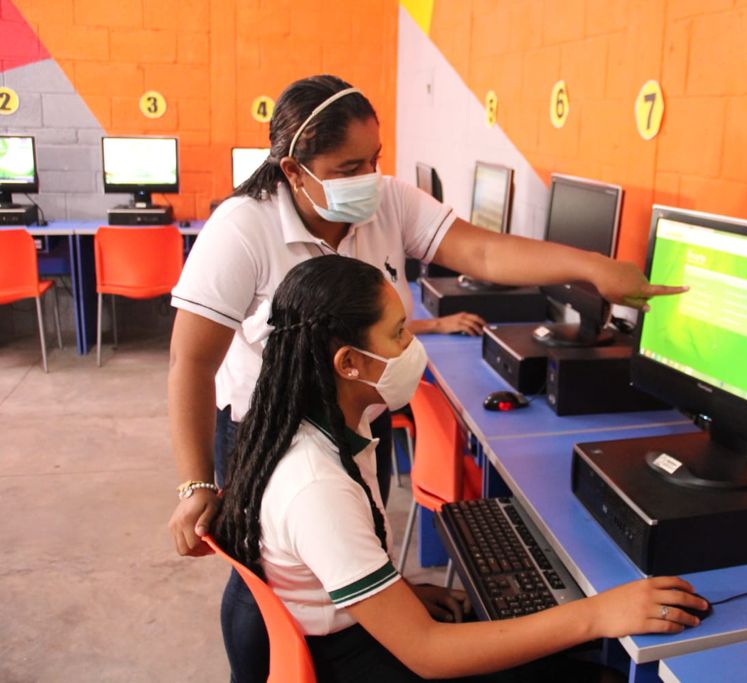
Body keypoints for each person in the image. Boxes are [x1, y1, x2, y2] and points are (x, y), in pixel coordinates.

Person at [167, 74, 685, 681]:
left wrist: (591, 268)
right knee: (286, 559)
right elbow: (191, 362)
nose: (370, 177)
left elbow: (483, 253)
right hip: (271, 427)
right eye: (348, 167)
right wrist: (195, 483)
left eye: (375, 158)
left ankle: (368, 602)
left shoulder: (386, 202)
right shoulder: (243, 228)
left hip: (347, 415)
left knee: (339, 547)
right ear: (292, 170)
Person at [214, 254, 706, 682]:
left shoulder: (312, 421)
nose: (412, 344)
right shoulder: (315, 485)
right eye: (398, 332)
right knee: (592, 670)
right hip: (351, 662)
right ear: (348, 364)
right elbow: (427, 653)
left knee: (543, 644)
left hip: (356, 628)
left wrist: (395, 595)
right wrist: (597, 614)